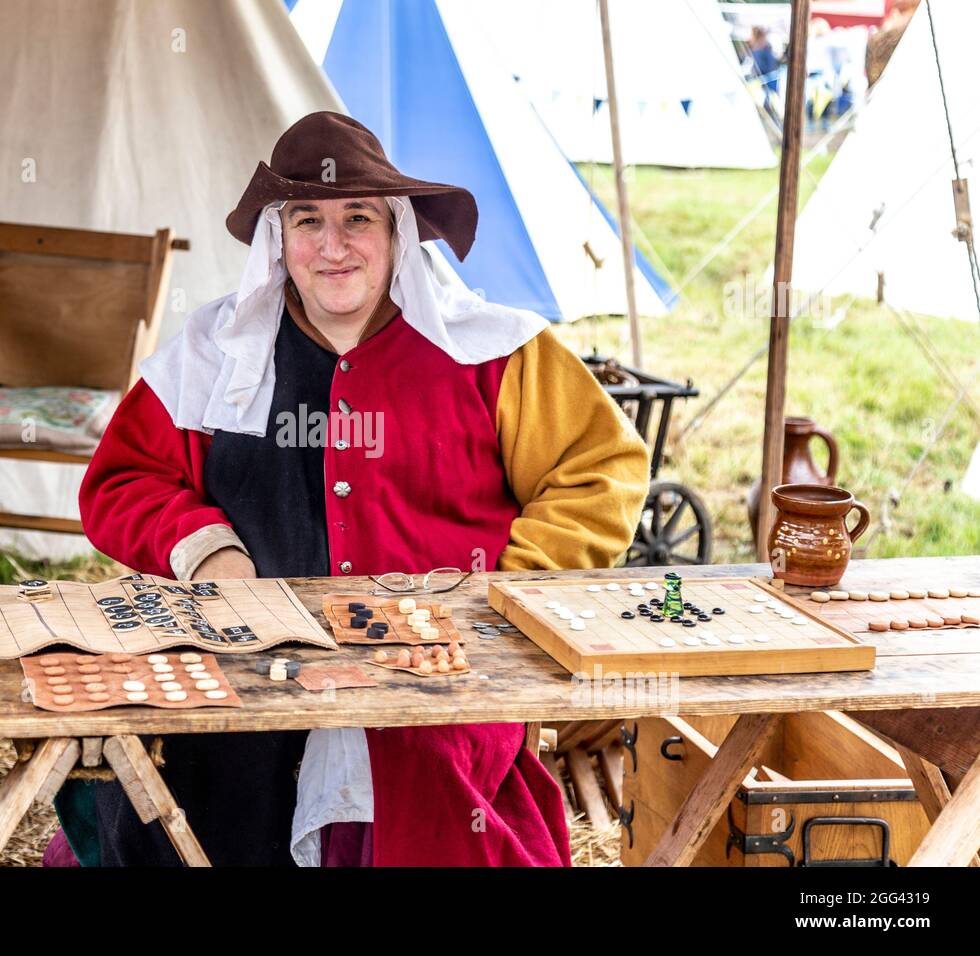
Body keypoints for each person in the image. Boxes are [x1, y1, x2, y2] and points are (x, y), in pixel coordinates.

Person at [65, 111, 649, 866]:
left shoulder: (495, 352)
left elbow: (599, 471)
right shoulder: (214, 354)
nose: (333, 246)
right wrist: (205, 551)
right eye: (308, 220)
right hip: (248, 680)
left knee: (431, 810)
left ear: (397, 232)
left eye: (358, 219)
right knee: (204, 804)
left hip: (442, 689)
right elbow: (122, 479)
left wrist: (502, 593)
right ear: (280, 238)